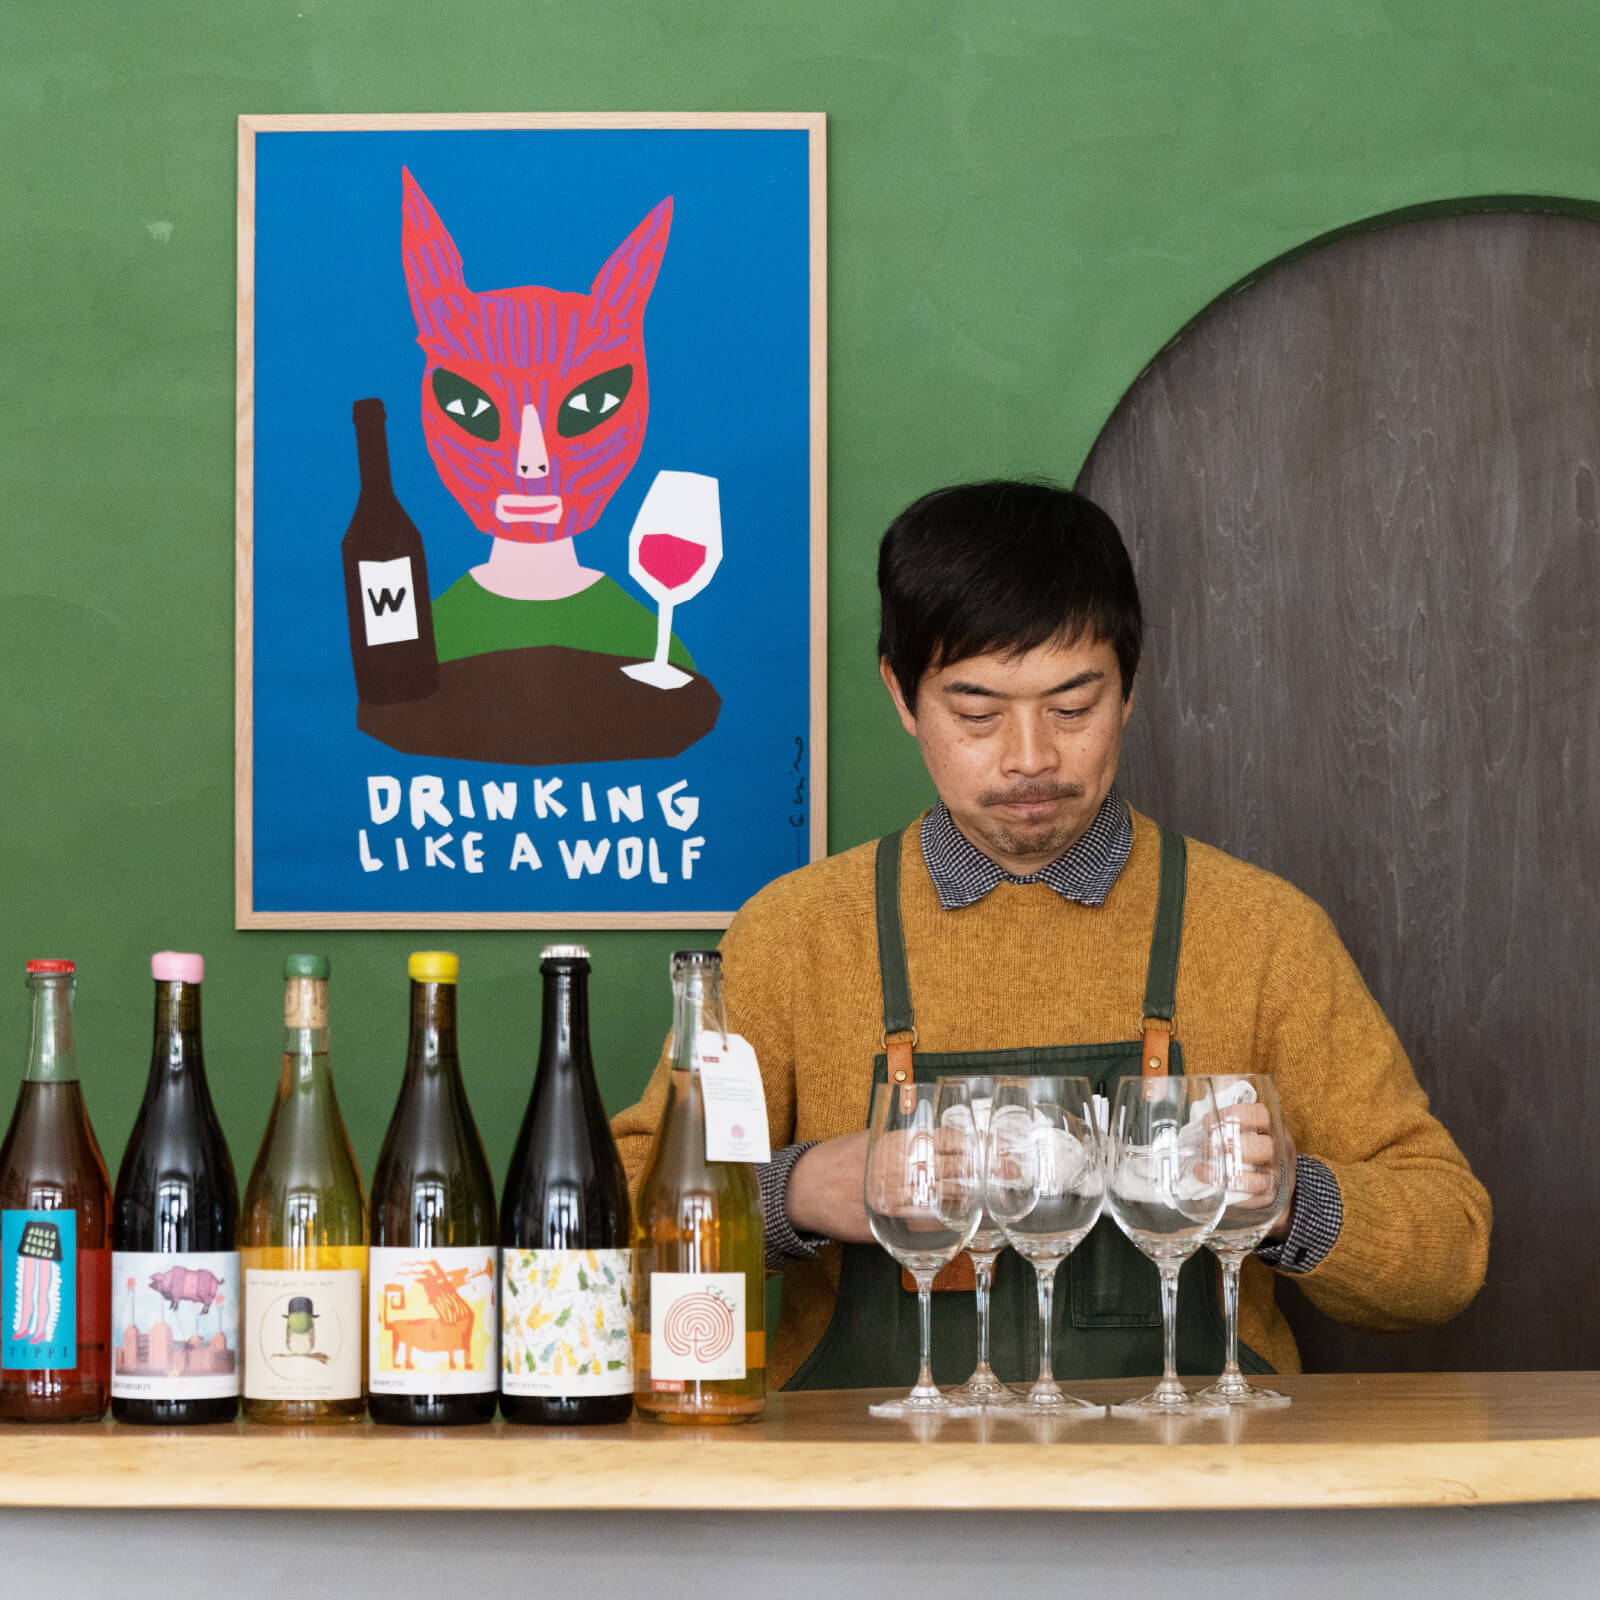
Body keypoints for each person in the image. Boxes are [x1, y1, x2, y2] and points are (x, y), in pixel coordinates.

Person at [612, 480, 1491, 1390]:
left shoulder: (1263, 933)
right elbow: (616, 1217)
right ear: (902, 696)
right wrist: (798, 1192)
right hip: (867, 1470)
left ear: (1131, 687)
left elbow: (1451, 1248)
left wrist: (1286, 1201)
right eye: (978, 715)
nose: (1030, 757)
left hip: (1196, 1468)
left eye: (1072, 709)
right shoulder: (796, 936)